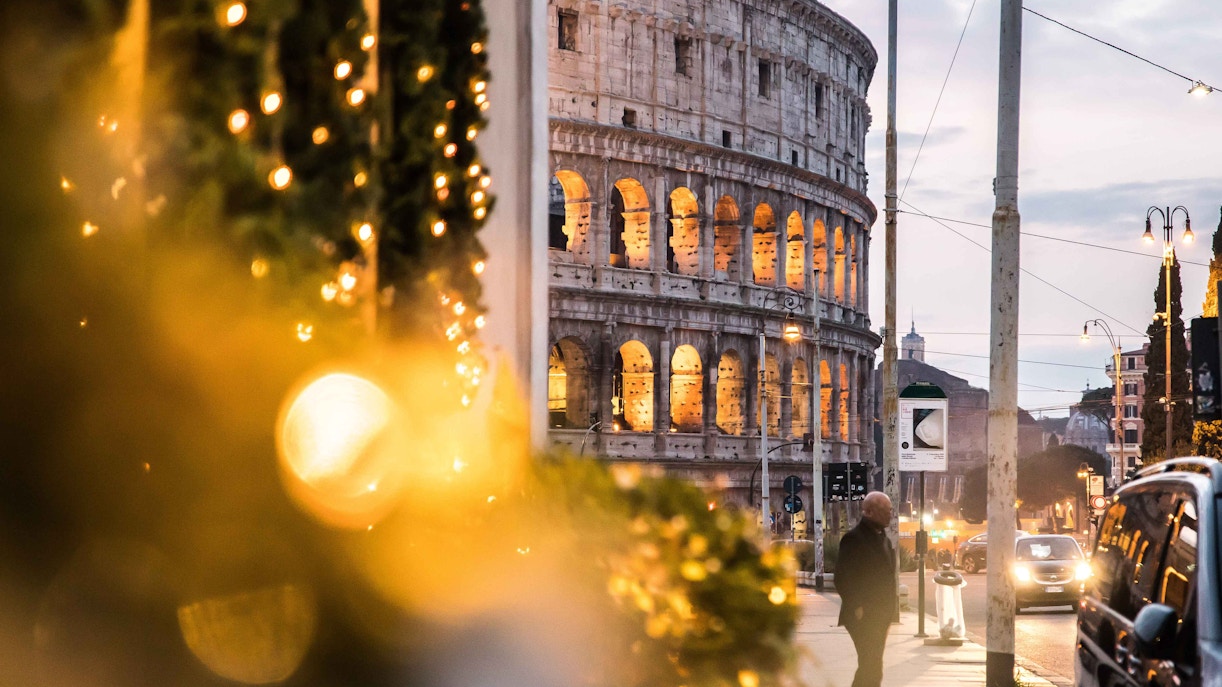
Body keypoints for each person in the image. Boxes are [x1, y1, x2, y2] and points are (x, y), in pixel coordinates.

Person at [836, 491, 897, 687]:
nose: (889, 514)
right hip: (862, 615)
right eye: (884, 510)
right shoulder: (854, 538)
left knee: (873, 664)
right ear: (868, 512)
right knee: (870, 663)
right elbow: (842, 577)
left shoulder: (884, 539)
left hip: (881, 614)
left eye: (890, 510)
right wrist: (856, 606)